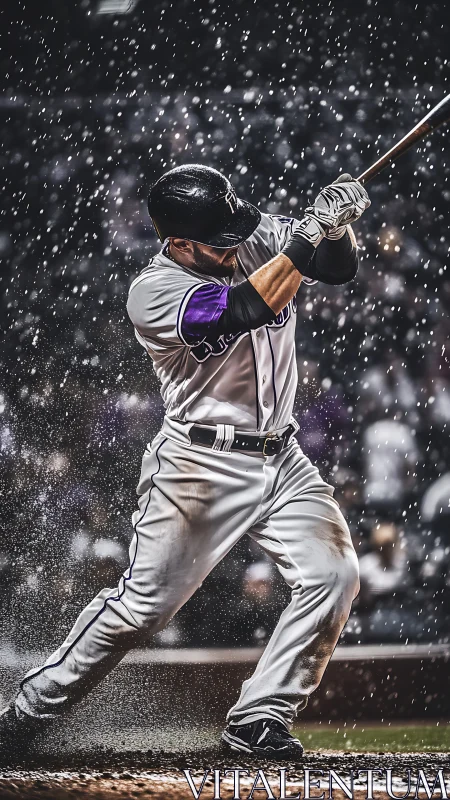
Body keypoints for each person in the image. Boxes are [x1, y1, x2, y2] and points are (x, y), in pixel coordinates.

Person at [0, 164, 369, 761]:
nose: (233, 245)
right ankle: (30, 709)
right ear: (177, 242)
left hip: (283, 455)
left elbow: (336, 267)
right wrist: (309, 235)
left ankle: (259, 717)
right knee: (144, 608)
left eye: (233, 231)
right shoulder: (153, 291)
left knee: (334, 578)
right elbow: (244, 307)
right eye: (217, 240)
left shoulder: (251, 234)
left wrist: (337, 228)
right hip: (199, 465)